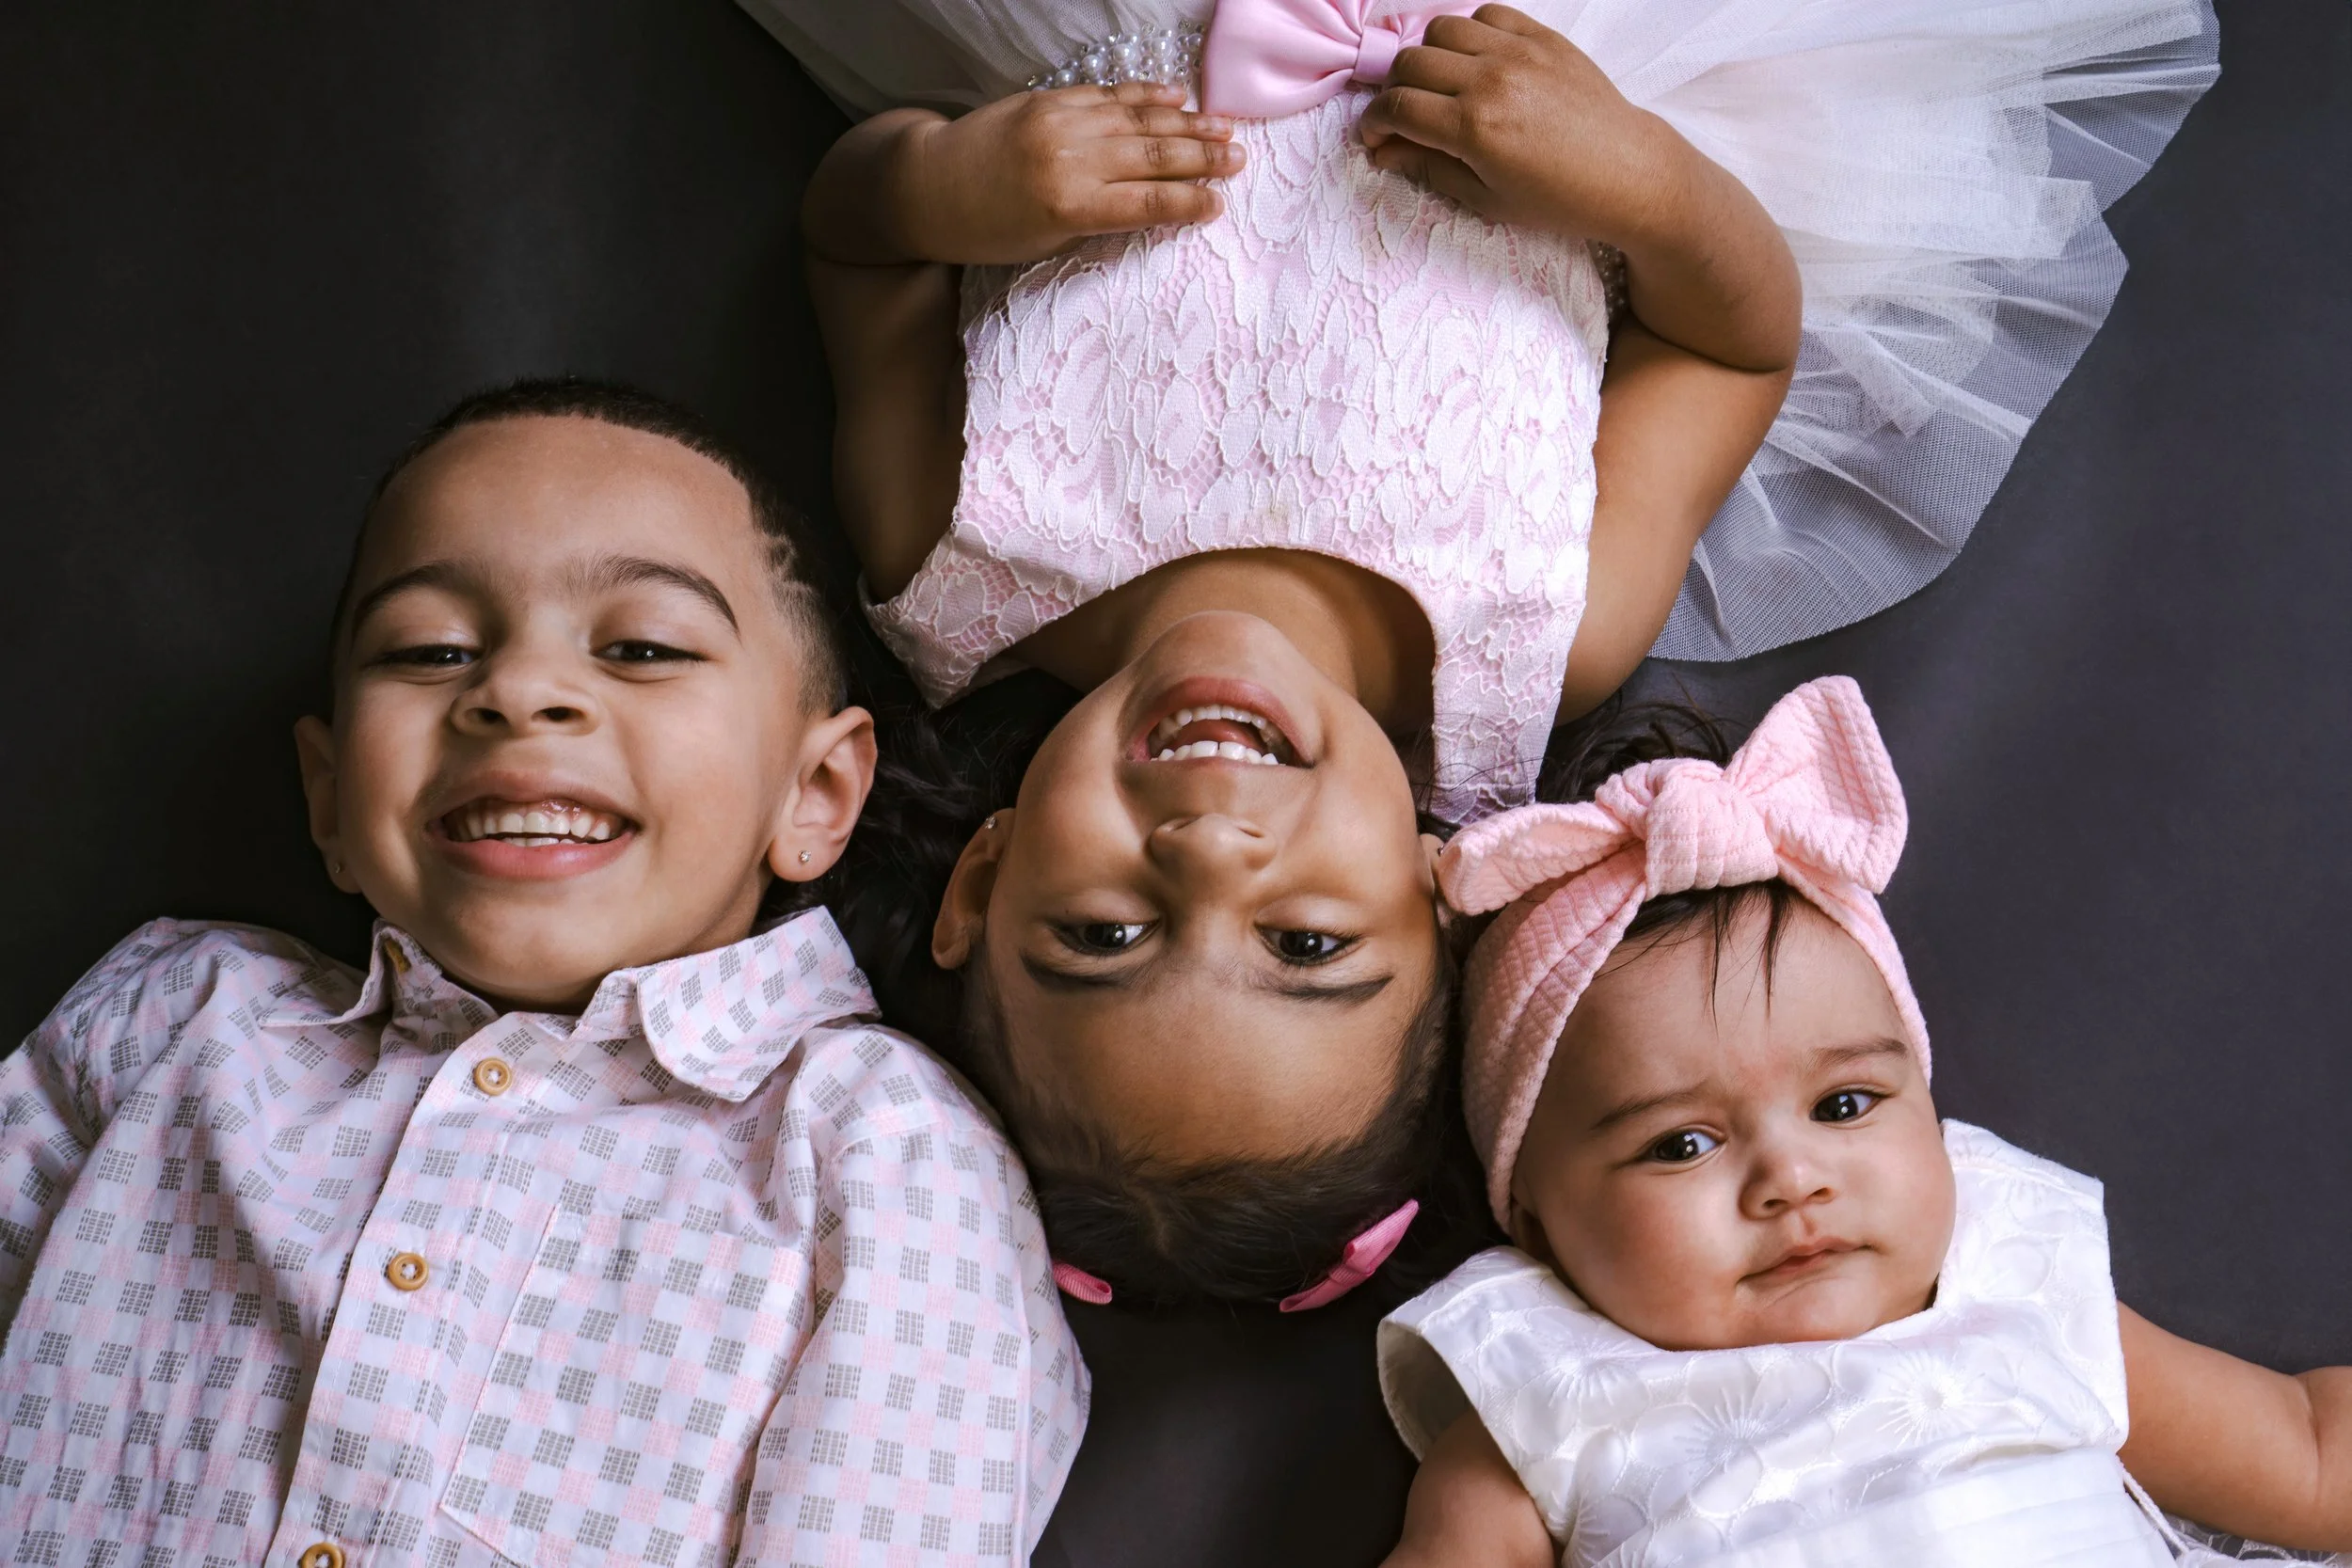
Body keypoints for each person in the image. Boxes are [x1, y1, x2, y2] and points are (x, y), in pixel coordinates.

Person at [755, 0, 2217, 1308]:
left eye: (1102, 933)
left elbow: (848, 234)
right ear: (1440, 896)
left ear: (980, 875)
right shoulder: (1542, 638)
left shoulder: (942, 561)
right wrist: (1633, 177)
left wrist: (952, 183)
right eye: (1306, 943)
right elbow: (1733, 350)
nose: (1207, 853)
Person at [0, 380, 1086, 1566]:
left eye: (641, 646)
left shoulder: (879, 1147)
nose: (515, 691)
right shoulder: (173, 1017)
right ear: (329, 798)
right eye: (432, 649)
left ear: (815, 793)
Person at [1375, 676, 2352, 1565]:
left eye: (1843, 1104)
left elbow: (2308, 1451)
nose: (1791, 1177)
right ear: (1536, 1218)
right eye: (1681, 1144)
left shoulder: (2008, 1269)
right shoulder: (1542, 1376)